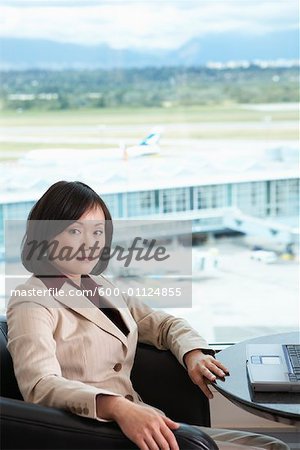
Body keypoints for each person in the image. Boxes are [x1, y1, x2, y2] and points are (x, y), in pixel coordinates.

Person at [7, 181, 289, 450]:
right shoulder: (31, 301)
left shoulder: (99, 285)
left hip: (145, 420)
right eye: (75, 231)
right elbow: (40, 386)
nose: (89, 243)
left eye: (97, 231)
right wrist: (117, 407)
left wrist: (193, 354)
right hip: (96, 431)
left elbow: (163, 324)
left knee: (270, 445)